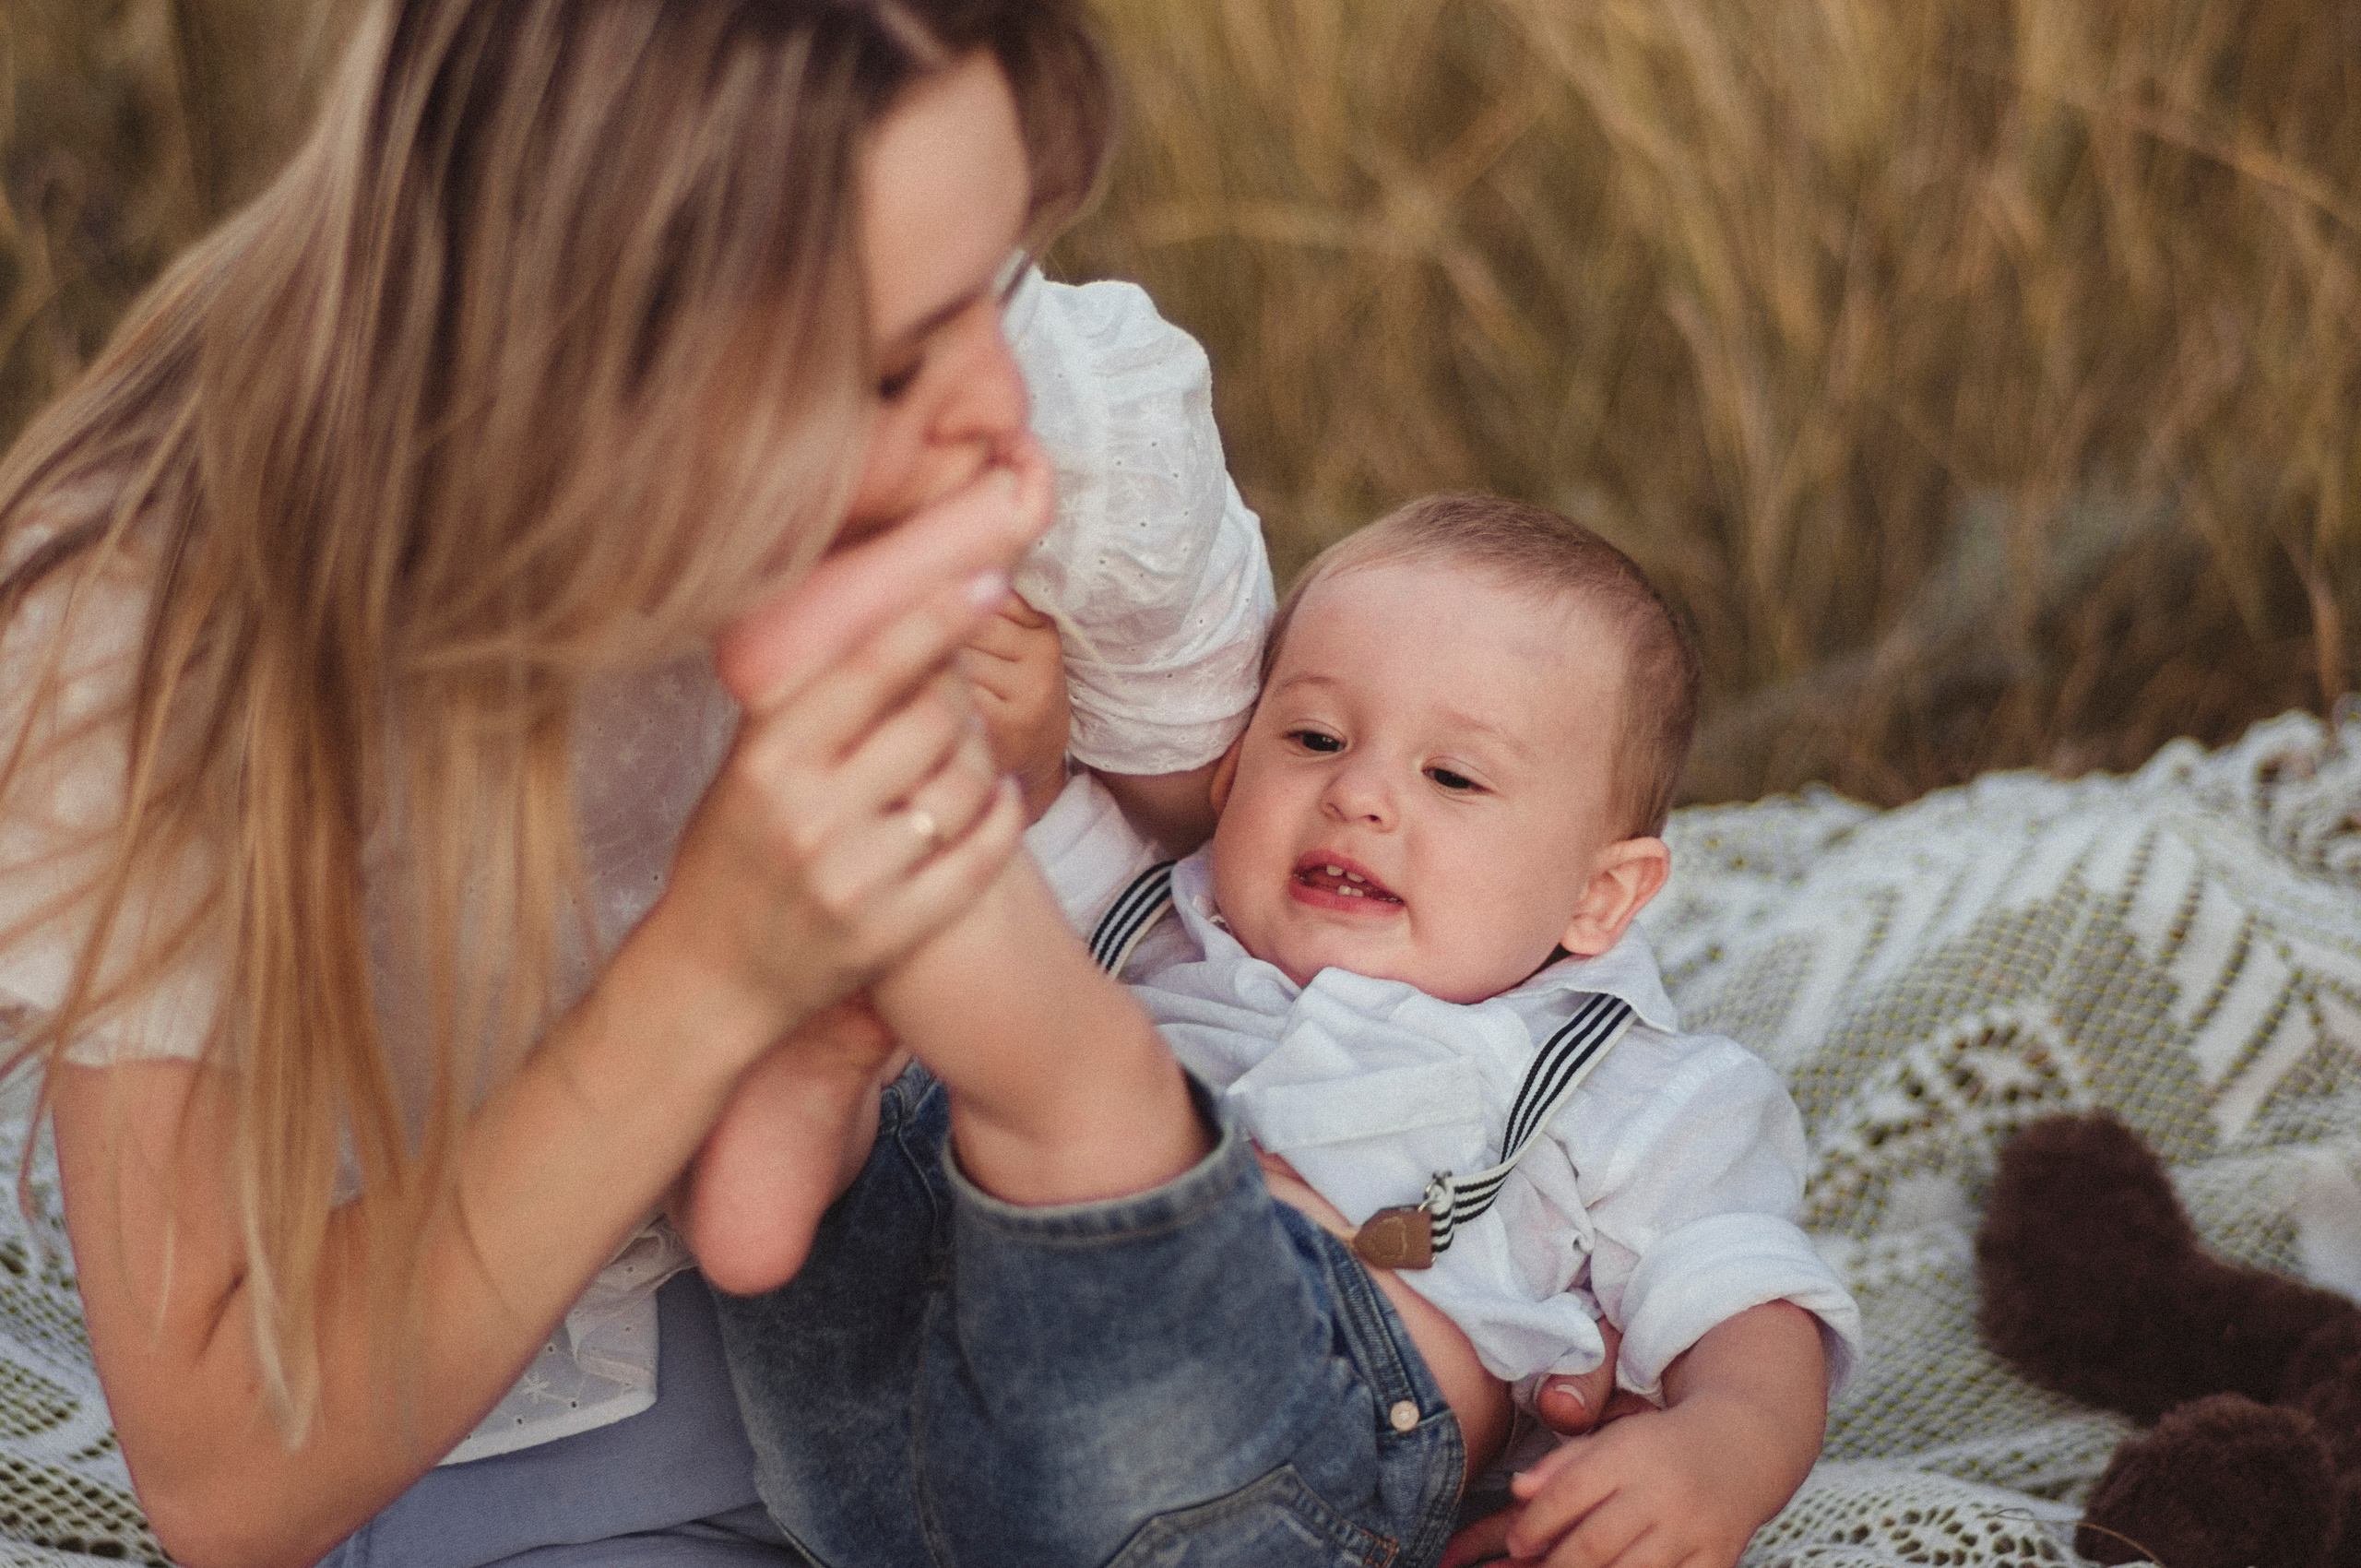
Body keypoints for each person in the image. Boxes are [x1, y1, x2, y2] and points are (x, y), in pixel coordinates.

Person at [0, 2, 1127, 1564]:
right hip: (463, 1417)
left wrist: (1048, 768)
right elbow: (226, 1474)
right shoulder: (155, 647)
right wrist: (719, 966)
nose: (1002, 412)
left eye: (999, 281)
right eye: (881, 371)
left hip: (910, 1295)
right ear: (571, 376)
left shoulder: (995, 373)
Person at [698, 493, 1862, 1568]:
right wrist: (1031, 749)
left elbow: (1746, 1305)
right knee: (935, 1072)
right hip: (873, 1436)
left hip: (1250, 1464)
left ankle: (888, 1088)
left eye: (1452, 775)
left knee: (1048, 1060)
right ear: (1227, 775)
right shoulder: (1160, 912)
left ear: (1597, 898)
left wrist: (1724, 1447)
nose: (1360, 792)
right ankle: (815, 1110)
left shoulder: (1624, 1080)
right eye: (1311, 739)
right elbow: (1043, 829)